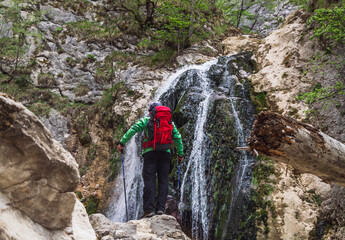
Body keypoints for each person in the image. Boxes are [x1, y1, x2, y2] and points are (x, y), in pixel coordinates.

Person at [117, 102, 184, 218]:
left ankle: (149, 210)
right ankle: (161, 209)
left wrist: (122, 142)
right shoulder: (169, 123)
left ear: (151, 111)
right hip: (165, 154)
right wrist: (180, 154)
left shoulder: (146, 120)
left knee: (149, 180)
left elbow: (133, 129)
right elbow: (177, 137)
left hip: (150, 153)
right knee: (163, 181)